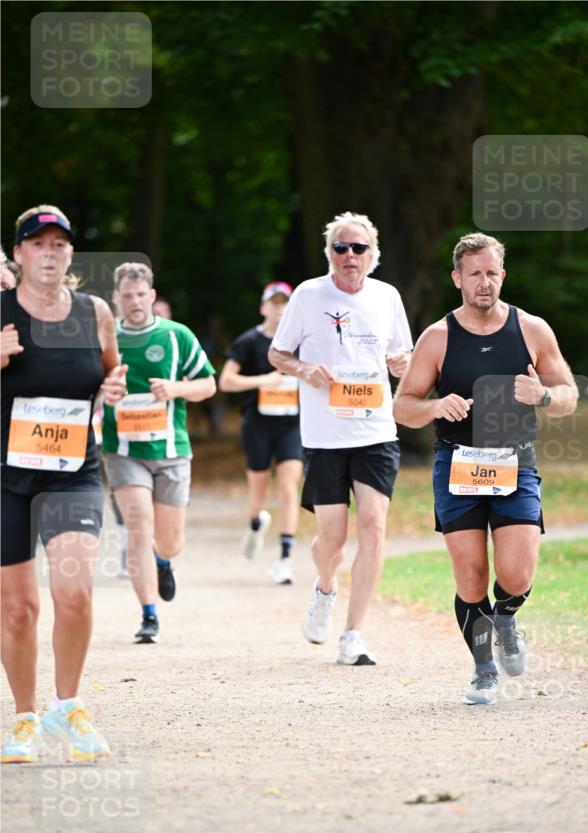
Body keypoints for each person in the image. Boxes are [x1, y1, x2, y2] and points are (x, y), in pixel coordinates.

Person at [393, 232, 578, 705]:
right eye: (474, 274)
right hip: (457, 463)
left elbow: (569, 395)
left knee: (516, 576)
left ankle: (507, 617)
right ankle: (483, 671)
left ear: (503, 275)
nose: (484, 282)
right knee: (471, 576)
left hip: (515, 461)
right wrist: (435, 407)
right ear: (457, 278)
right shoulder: (437, 338)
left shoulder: (531, 329)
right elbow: (403, 406)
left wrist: (543, 395)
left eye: (492, 273)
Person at [1, 204, 127, 763]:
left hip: (73, 472)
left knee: (73, 593)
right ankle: (24, 718)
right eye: (38, 244)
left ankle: (67, 705)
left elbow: (110, 371)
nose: (49, 253)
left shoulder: (94, 311)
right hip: (6, 478)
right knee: (17, 608)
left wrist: (114, 387)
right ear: (19, 254)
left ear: (71, 252)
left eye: (59, 244)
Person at [269, 211, 412, 664]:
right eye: (341, 247)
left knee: (373, 523)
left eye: (359, 248)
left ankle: (353, 634)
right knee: (330, 541)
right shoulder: (308, 295)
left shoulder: (387, 296)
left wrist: (402, 364)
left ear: (373, 254)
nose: (350, 255)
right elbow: (277, 353)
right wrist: (304, 369)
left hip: (375, 430)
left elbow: (403, 355)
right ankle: (325, 587)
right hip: (325, 435)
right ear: (330, 253)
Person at [102, 263, 216, 643]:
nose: (134, 302)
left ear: (151, 296)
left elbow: (208, 385)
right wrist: (105, 393)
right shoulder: (105, 339)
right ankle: (148, 615)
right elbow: (84, 387)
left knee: (169, 541)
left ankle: (163, 560)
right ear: (116, 298)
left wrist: (175, 389)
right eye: (127, 296)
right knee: (138, 524)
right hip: (123, 450)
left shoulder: (176, 335)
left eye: (140, 295)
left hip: (170, 450)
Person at [219, 282, 302, 583]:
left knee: (289, 486)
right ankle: (255, 524)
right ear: (263, 307)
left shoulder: (302, 341)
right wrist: (262, 381)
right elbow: (225, 381)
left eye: (284, 303)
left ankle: (285, 558)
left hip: (292, 423)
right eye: (274, 303)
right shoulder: (248, 341)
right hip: (258, 423)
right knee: (259, 490)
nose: (279, 309)